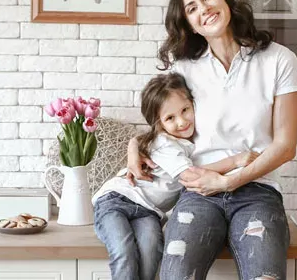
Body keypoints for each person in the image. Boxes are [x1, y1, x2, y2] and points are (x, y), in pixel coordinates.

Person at [125, 0, 297, 279]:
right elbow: (163, 125)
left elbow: (285, 146)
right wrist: (134, 145)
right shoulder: (184, 69)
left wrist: (228, 182)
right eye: (192, 8)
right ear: (190, 25)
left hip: (258, 191)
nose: (204, 8)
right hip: (199, 192)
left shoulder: (278, 59)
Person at [92, 73, 260, 280]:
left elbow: (197, 166)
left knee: (152, 249)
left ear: (193, 105)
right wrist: (235, 161)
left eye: (185, 110)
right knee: (124, 250)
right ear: (159, 123)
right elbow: (192, 175)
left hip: (149, 212)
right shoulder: (164, 143)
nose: (181, 122)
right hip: (116, 200)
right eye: (170, 118)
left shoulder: (187, 144)